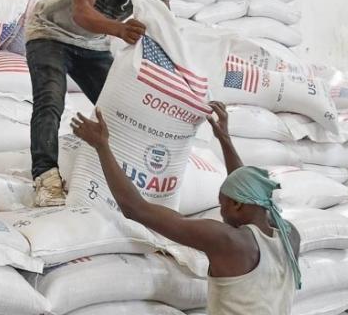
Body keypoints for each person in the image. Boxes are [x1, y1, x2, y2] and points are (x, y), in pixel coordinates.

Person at [72, 102, 301, 314]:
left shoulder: (228, 241)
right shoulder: (290, 235)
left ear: (237, 203)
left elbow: (135, 209)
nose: (221, 214)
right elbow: (247, 189)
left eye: (222, 206)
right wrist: (224, 139)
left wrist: (101, 146)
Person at [26, 0, 173, 206]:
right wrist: (120, 30)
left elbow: (163, 28)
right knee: (51, 99)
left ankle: (117, 176)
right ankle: (46, 177)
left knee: (124, 109)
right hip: (50, 32)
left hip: (92, 44)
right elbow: (81, 11)